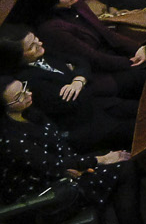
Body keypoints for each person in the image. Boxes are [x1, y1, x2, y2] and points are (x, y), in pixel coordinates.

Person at [0, 79, 146, 224]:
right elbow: (50, 165)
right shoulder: (10, 139)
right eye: (19, 96)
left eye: (25, 88)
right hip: (47, 194)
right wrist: (100, 160)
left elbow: (58, 148)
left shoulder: (29, 113)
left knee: (123, 156)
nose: (28, 94)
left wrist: (81, 164)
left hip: (61, 171)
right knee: (124, 167)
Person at [0, 29, 134, 153]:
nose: (39, 44)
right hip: (84, 126)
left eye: (36, 39)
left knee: (141, 108)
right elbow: (69, 102)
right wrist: (76, 76)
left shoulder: (44, 53)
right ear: (17, 57)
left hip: (98, 105)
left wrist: (78, 80)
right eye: (31, 46)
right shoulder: (27, 80)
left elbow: (81, 61)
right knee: (135, 128)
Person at [22, 0, 146, 100]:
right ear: (52, 3)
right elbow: (92, 57)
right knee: (143, 74)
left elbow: (105, 32)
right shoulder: (51, 29)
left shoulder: (75, 3)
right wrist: (131, 63)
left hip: (110, 55)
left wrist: (136, 48)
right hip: (95, 73)